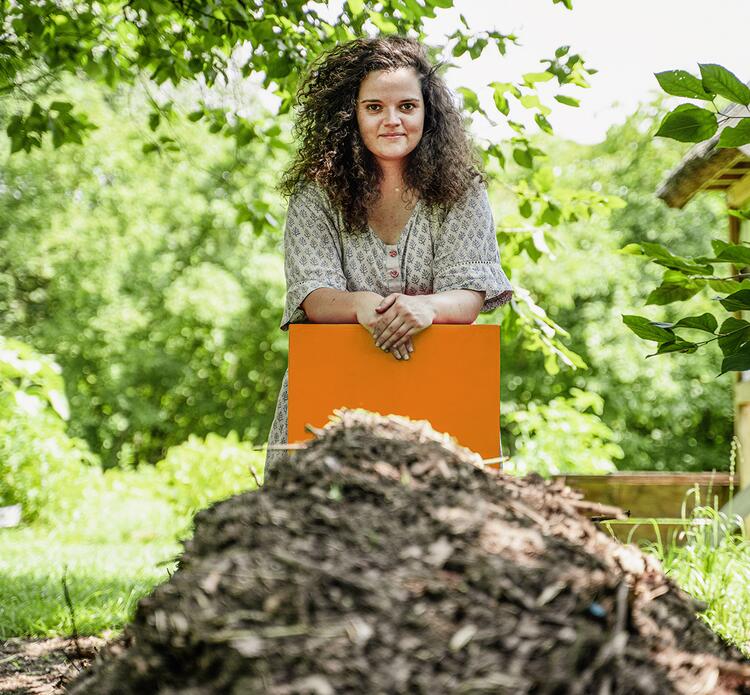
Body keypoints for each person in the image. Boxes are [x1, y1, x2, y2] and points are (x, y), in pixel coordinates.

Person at [264, 35, 513, 478]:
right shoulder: (315, 195)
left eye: (407, 107)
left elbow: (471, 294)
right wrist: (362, 306)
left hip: (440, 396)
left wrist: (424, 307)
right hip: (331, 398)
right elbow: (313, 294)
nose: (392, 120)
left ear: (427, 112)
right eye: (374, 107)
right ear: (351, 115)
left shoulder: (462, 192)